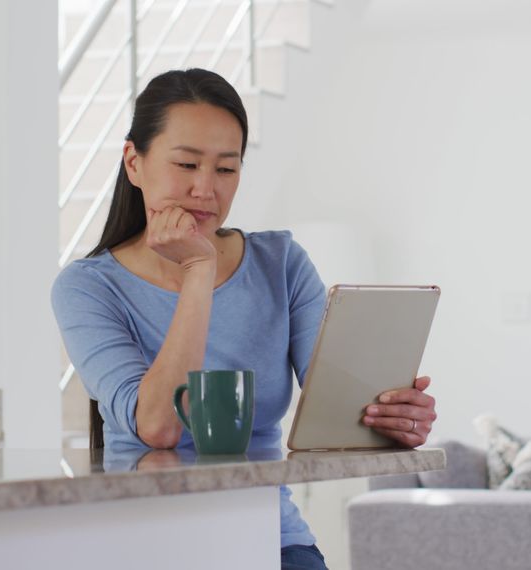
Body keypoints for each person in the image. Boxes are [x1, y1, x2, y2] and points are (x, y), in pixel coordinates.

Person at [51, 68, 437, 570]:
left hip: (271, 538)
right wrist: (197, 270)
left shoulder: (280, 263)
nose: (205, 190)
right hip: (146, 545)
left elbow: (337, 410)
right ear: (134, 162)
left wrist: (392, 418)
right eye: (186, 164)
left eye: (226, 170)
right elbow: (159, 426)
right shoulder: (87, 288)